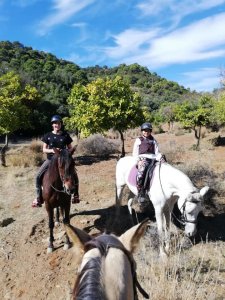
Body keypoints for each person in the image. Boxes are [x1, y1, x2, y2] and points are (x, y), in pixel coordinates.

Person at [32, 115, 79, 208]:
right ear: (52, 125)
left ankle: (75, 195)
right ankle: (38, 198)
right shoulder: (48, 136)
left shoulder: (65, 135)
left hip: (63, 160)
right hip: (50, 160)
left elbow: (70, 148)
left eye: (58, 123)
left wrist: (65, 152)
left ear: (61, 124)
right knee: (38, 176)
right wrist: (52, 150)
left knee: (74, 174)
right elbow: (44, 149)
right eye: (54, 123)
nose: (56, 125)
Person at [132, 122, 161, 203]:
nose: (146, 132)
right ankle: (140, 192)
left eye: (148, 130)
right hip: (143, 159)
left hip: (153, 159)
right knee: (141, 173)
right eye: (144, 130)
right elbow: (135, 153)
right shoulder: (138, 140)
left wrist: (160, 157)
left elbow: (157, 151)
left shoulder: (153, 140)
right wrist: (138, 161)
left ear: (150, 131)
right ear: (142, 131)